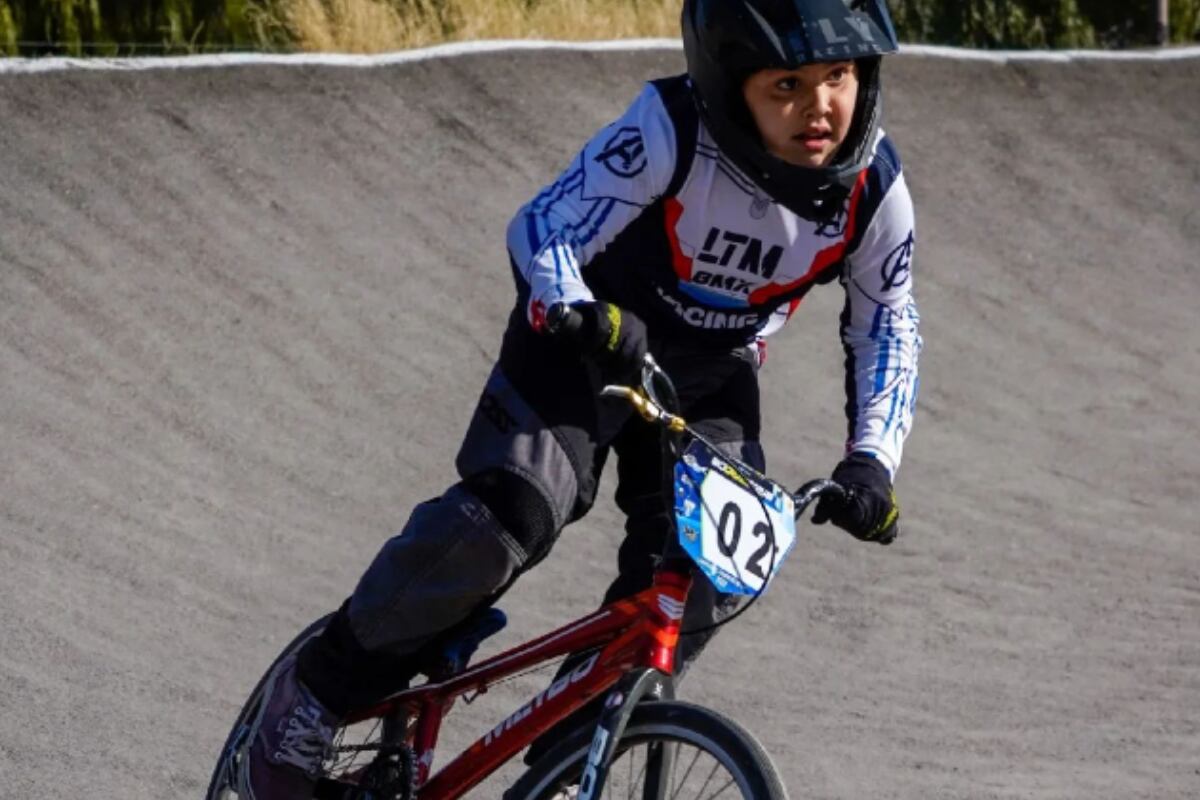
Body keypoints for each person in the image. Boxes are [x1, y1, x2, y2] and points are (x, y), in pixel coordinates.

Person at [237, 1, 921, 797]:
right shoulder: (669, 129)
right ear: (733, 88)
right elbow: (545, 224)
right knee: (506, 521)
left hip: (706, 373)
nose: (821, 107)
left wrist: (873, 459)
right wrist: (572, 305)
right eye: (788, 85)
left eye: (839, 76)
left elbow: (889, 325)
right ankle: (314, 693)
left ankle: (573, 756)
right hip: (589, 341)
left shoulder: (875, 189)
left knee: (714, 572)